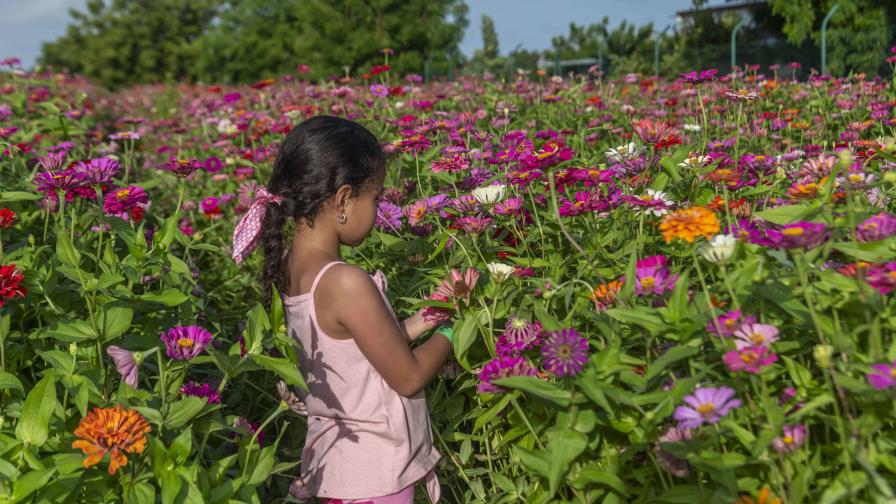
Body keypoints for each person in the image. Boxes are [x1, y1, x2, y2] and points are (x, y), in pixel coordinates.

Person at [231, 115, 459, 503]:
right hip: (377, 475)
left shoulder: (291, 266)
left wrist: (427, 319)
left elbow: (357, 352)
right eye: (376, 198)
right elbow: (408, 377)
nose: (379, 207)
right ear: (342, 200)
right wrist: (456, 330)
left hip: (335, 470)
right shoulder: (344, 281)